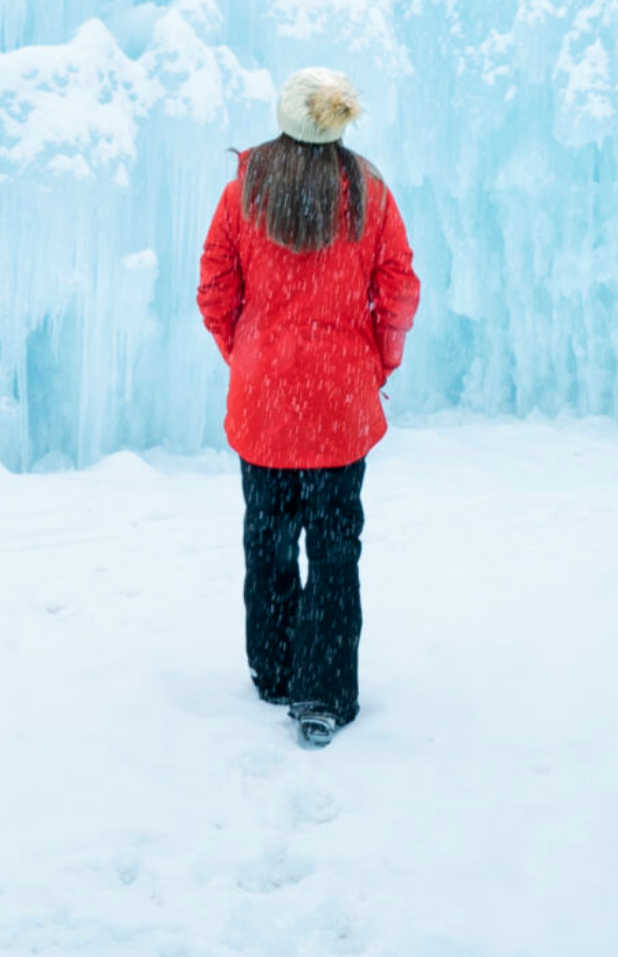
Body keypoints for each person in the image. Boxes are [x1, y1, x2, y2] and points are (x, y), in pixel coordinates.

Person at [196, 67, 420, 749]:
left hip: (264, 399)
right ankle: (321, 692)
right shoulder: (370, 194)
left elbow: (213, 289)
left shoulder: (243, 193)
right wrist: (375, 360)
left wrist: (250, 357)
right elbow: (400, 289)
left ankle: (272, 670)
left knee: (266, 539)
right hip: (339, 404)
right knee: (333, 547)